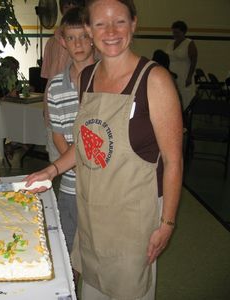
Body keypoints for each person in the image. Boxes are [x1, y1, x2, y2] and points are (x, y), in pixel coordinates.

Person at [25, 1, 183, 299]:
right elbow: (86, 144)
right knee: (93, 288)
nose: (110, 32)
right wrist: (53, 168)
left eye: (119, 22)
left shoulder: (155, 80)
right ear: (89, 28)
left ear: (133, 24)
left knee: (128, 291)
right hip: (91, 209)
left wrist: (167, 224)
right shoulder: (88, 77)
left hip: (133, 217)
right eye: (100, 24)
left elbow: (174, 161)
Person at [47, 6, 95, 253]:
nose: (78, 44)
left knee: (97, 249)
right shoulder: (56, 86)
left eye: (84, 36)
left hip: (102, 183)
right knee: (68, 245)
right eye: (71, 37)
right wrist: (74, 163)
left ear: (94, 38)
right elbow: (57, 132)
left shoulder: (107, 81)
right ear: (62, 41)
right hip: (71, 182)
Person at [41, 0, 85, 162]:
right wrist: (46, 108)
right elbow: (46, 76)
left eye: (75, 4)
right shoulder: (51, 43)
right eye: (67, 5)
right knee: (57, 158)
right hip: (56, 106)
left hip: (79, 109)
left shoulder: (87, 43)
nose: (70, 8)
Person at [166, 20, 198, 110]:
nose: (174, 34)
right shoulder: (170, 43)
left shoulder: (189, 43)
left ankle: (185, 119)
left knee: (185, 98)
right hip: (172, 75)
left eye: (177, 32)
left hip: (185, 75)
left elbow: (194, 61)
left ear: (183, 32)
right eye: (173, 32)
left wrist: (189, 77)